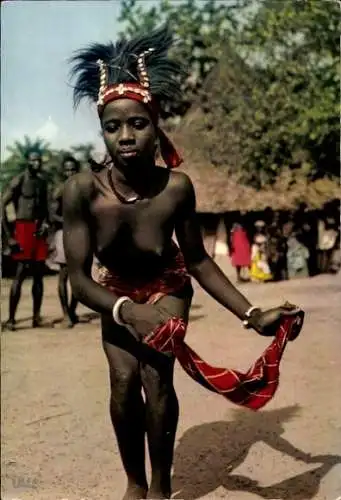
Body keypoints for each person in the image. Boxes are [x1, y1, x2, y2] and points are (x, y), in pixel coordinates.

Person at [64, 27, 302, 499]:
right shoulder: (81, 191)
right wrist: (126, 310)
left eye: (138, 124)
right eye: (113, 127)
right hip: (115, 293)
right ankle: (134, 482)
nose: (126, 136)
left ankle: (160, 485)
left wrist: (252, 315)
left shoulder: (177, 188)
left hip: (167, 283)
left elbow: (196, 260)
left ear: (156, 126)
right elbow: (76, 275)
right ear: (102, 133)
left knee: (155, 376)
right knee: (123, 382)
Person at [2, 148, 50, 331]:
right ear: (27, 161)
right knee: (20, 273)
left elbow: (45, 208)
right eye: (33, 160)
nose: (36, 163)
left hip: (38, 230)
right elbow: (2, 204)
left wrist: (45, 225)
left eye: (39, 160)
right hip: (23, 228)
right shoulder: (20, 179)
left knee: (39, 275)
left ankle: (36, 317)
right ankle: (11, 320)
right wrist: (9, 237)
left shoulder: (42, 181)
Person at [50, 155, 80, 327]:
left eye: (73, 169)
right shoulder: (60, 189)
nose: (70, 173)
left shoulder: (81, 188)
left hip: (80, 235)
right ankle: (65, 314)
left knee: (78, 276)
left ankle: (72, 311)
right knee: (64, 275)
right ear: (63, 171)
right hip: (64, 233)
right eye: (67, 169)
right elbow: (53, 214)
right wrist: (68, 221)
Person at [229, 217, 251, 282]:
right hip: (238, 246)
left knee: (243, 262)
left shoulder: (243, 228)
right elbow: (232, 238)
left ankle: (243, 276)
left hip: (242, 246)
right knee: (239, 263)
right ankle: (239, 277)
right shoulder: (235, 228)